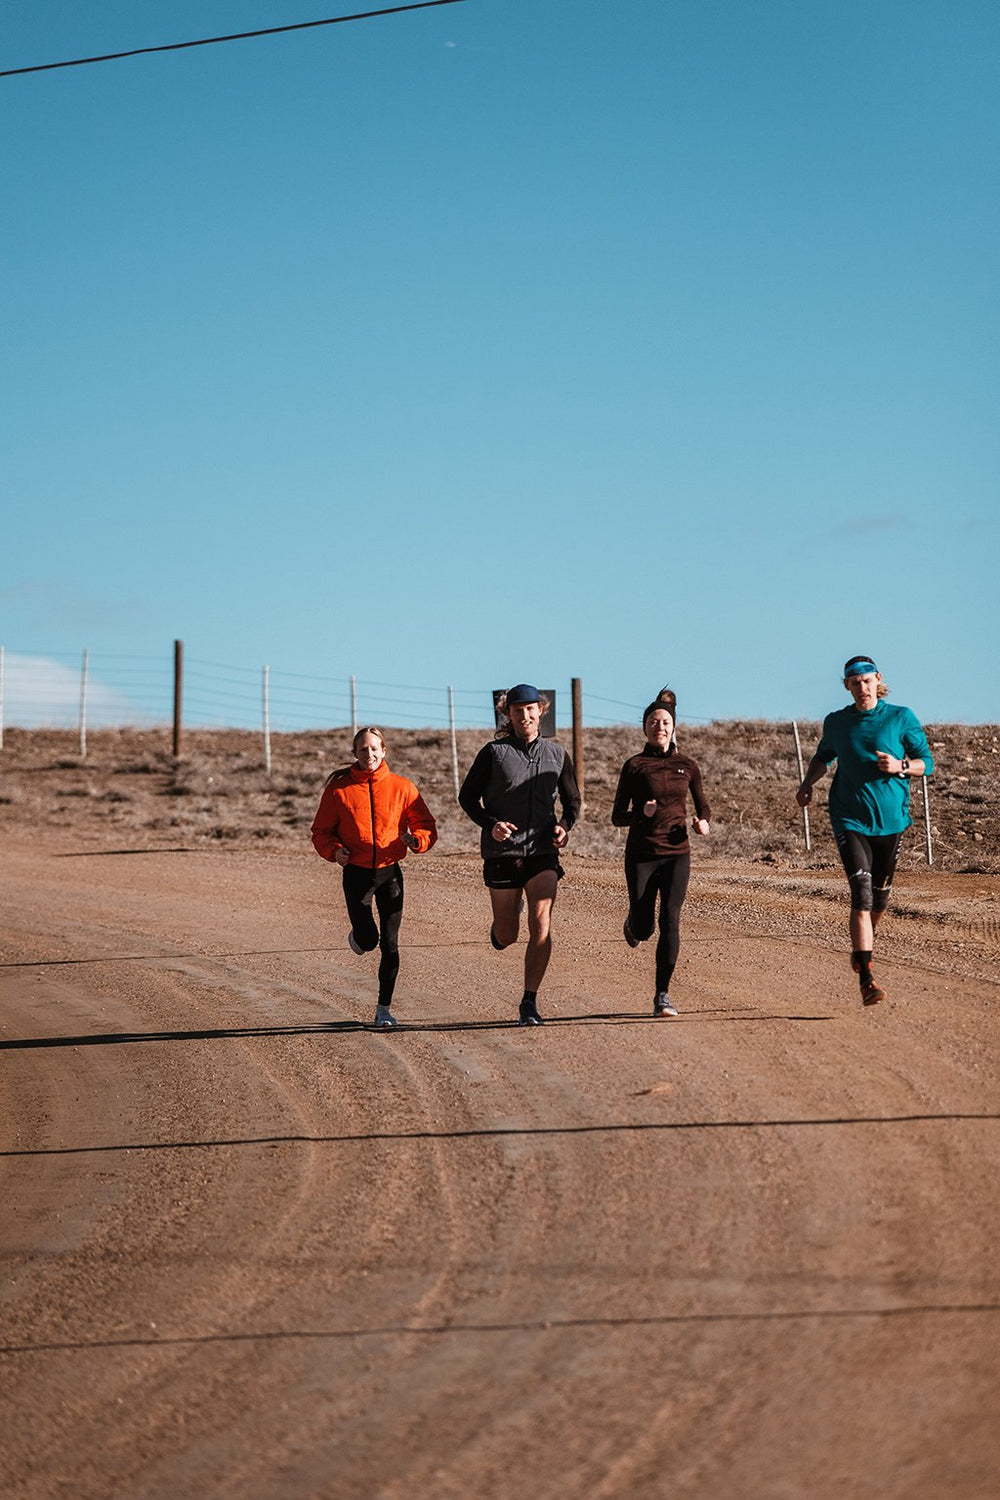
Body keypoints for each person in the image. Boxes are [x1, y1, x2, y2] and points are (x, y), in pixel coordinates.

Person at [795, 656, 933, 1006]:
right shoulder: (837, 723)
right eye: (854, 683)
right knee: (862, 893)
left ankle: (862, 946)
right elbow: (823, 757)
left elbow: (926, 763)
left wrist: (901, 765)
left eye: (867, 681)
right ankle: (868, 979)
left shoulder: (901, 717)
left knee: (880, 899)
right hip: (849, 818)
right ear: (847, 686)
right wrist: (808, 784)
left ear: (878, 680)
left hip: (892, 822)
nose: (862, 688)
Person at [458, 684, 581, 1026]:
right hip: (503, 852)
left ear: (541, 711)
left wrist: (564, 826)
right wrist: (491, 824)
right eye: (517, 711)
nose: (524, 716)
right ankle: (499, 932)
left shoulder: (557, 755)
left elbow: (572, 800)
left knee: (541, 923)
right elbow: (467, 798)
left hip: (542, 852)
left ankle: (529, 1001)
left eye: (530, 709)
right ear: (508, 715)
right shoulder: (493, 753)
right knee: (509, 934)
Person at [311, 726, 437, 1029]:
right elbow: (320, 833)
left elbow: (426, 825)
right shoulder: (339, 790)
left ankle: (384, 1009)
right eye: (363, 749)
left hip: (389, 872)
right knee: (369, 940)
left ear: (384, 751)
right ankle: (360, 936)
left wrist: (418, 840)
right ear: (355, 753)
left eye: (374, 748)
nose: (369, 754)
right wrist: (335, 851)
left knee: (390, 945)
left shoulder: (402, 787)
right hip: (355, 873)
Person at [611, 696, 711, 1016]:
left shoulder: (688, 766)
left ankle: (662, 995)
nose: (660, 727)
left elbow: (703, 805)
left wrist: (702, 823)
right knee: (644, 928)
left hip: (677, 854)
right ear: (645, 728)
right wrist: (641, 812)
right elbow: (617, 816)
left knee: (670, 920)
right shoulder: (635, 766)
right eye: (654, 722)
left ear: (673, 727)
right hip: (641, 854)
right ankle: (633, 924)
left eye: (665, 722)